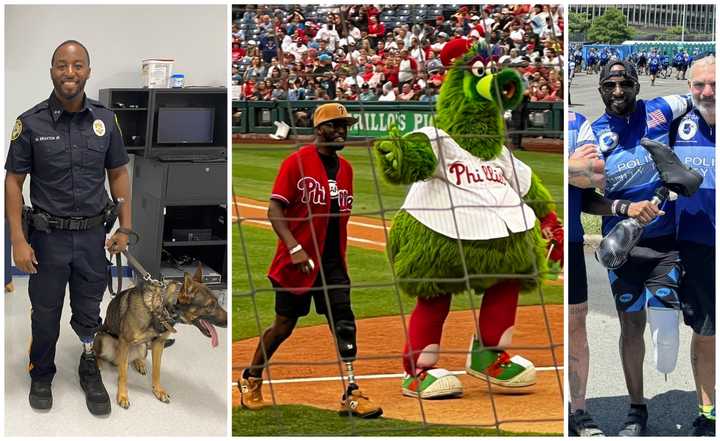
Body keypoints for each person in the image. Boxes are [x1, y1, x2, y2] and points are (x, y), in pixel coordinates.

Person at [5, 40, 131, 415]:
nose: (70, 73)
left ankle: (88, 364)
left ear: (88, 71)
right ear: (52, 72)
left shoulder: (106, 121)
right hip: (47, 239)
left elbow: (119, 173)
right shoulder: (30, 123)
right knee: (44, 311)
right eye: (62, 65)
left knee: (89, 309)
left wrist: (125, 227)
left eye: (77, 66)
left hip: (93, 238)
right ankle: (41, 372)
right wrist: (17, 239)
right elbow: (13, 182)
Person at [237, 103, 382, 419]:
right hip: (295, 264)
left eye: (345, 125)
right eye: (335, 125)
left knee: (343, 322)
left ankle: (352, 392)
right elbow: (274, 210)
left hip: (332, 264)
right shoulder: (296, 162)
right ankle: (252, 377)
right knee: (283, 326)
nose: (342, 130)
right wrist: (294, 248)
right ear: (319, 129)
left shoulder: (347, 169)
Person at [589, 60, 690, 436]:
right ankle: (636, 408)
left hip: (666, 244)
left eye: (625, 84)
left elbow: (704, 94)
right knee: (631, 327)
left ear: (637, 85)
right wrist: (623, 208)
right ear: (600, 89)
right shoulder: (591, 133)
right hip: (622, 247)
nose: (618, 91)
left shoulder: (662, 110)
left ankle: (692, 395)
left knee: (666, 331)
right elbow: (583, 200)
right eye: (611, 85)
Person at [567, 112, 661, 436]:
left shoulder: (578, 123)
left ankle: (578, 412)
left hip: (570, 237)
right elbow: (575, 174)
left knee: (576, 326)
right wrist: (570, 167)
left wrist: (576, 171)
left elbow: (593, 176)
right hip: (536, 231)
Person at [670, 55, 715, 436]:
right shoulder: (677, 124)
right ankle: (708, 410)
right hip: (696, 247)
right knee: (705, 331)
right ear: (689, 88)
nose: (707, 92)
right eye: (699, 85)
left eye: (714, 84)